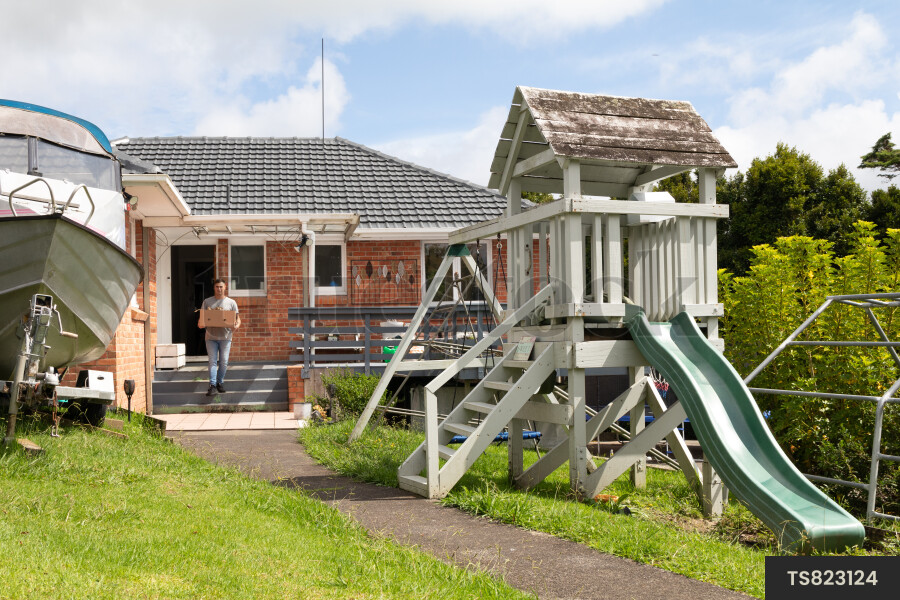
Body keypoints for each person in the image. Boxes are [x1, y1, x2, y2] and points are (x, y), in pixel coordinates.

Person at [198, 278, 241, 396]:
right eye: (217, 287)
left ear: (225, 287)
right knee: (212, 361)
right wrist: (201, 324)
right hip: (210, 337)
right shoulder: (207, 302)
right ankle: (212, 385)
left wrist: (237, 325)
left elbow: (237, 319)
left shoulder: (231, 303)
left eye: (221, 287)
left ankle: (219, 383)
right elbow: (201, 320)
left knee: (224, 362)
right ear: (214, 288)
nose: (219, 289)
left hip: (226, 337)